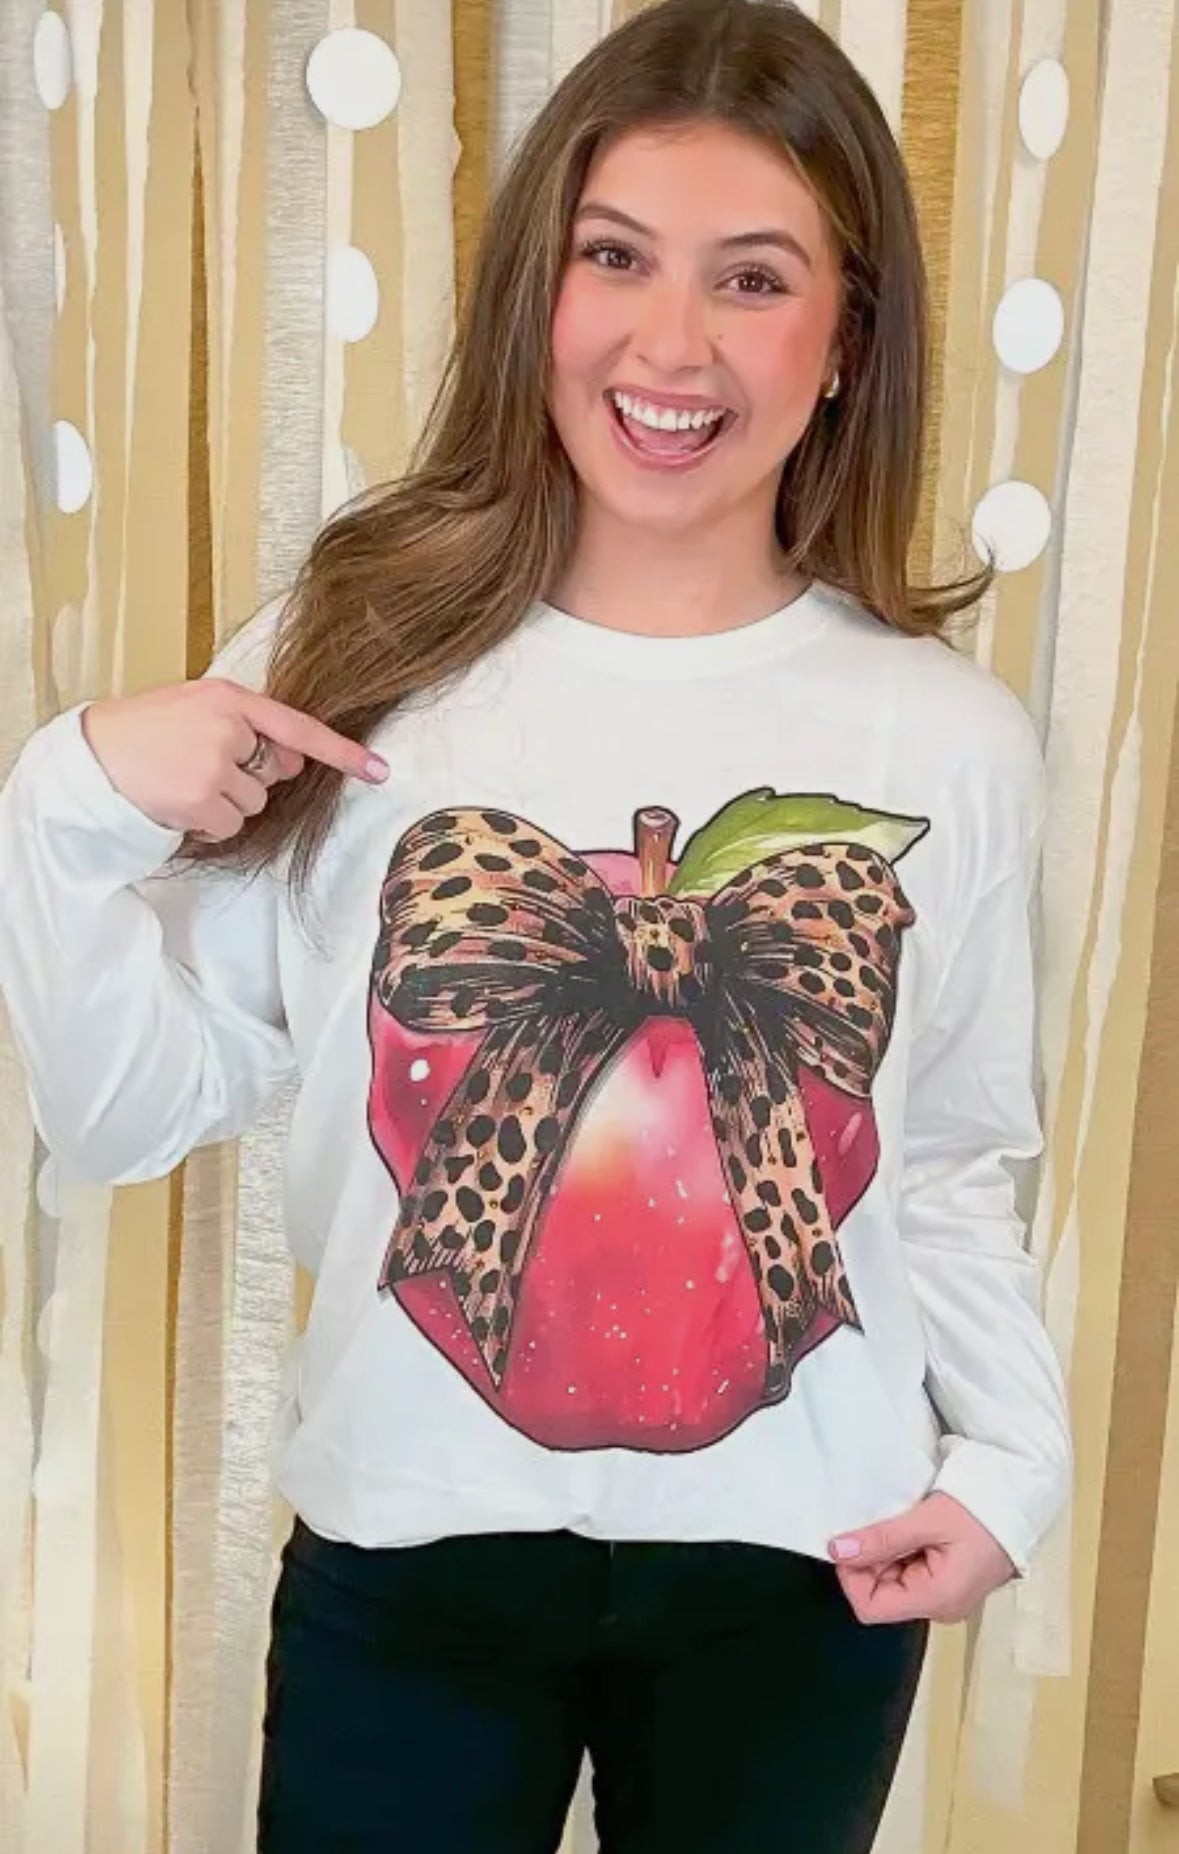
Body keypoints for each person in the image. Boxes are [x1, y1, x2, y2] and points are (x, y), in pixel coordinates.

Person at [0, 2, 1071, 1849]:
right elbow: (121, 1114)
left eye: (754, 278)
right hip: (409, 1553)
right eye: (615, 257)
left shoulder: (945, 743)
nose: (671, 343)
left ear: (848, 342)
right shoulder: (356, 657)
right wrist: (68, 795)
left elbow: (953, 1156)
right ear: (535, 293)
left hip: (801, 1569)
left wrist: (1014, 1465)